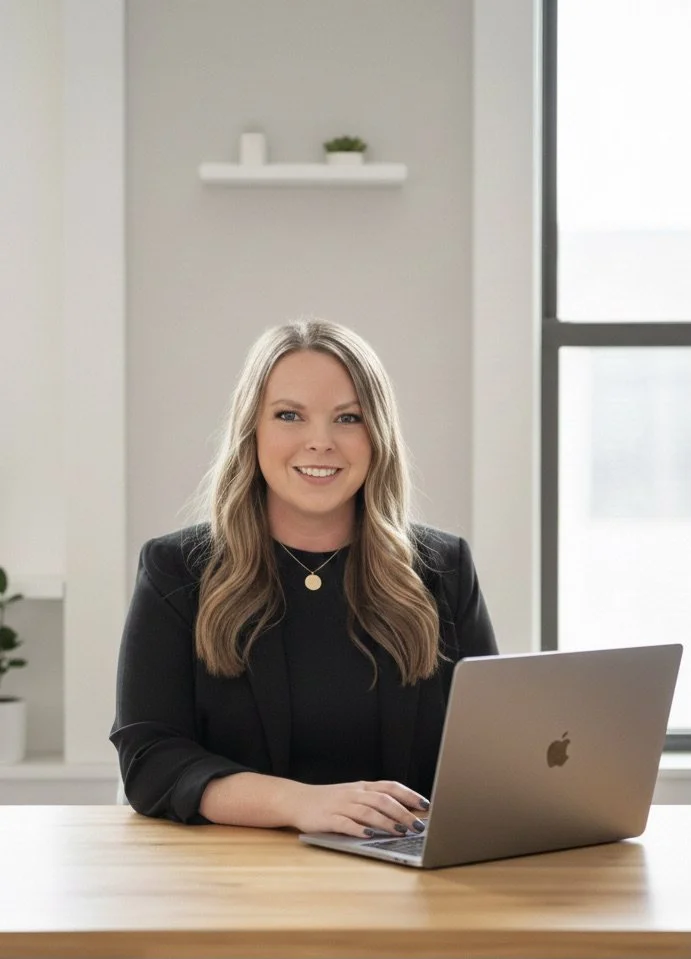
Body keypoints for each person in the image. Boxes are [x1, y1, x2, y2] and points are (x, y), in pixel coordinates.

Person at [110, 319, 497, 836]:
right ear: (252, 429)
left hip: (407, 865)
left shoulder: (444, 568)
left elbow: (492, 749)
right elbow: (150, 760)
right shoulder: (177, 570)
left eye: (349, 418)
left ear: (378, 436)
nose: (320, 442)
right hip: (232, 869)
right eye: (289, 415)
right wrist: (299, 803)